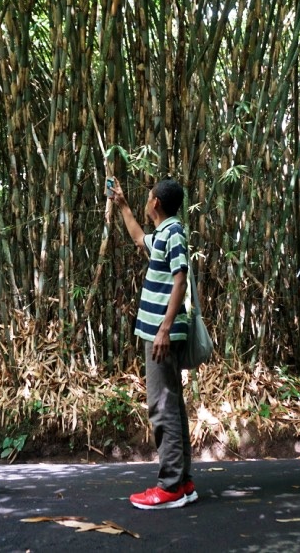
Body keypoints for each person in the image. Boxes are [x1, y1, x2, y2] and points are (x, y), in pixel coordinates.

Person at [109, 177, 196, 510]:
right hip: (159, 332)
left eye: (147, 198)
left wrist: (164, 328)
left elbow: (180, 279)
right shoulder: (162, 233)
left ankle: (171, 485)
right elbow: (137, 237)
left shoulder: (173, 233)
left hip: (163, 335)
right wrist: (122, 204)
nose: (146, 203)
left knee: (161, 406)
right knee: (171, 405)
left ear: (156, 203)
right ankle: (183, 482)